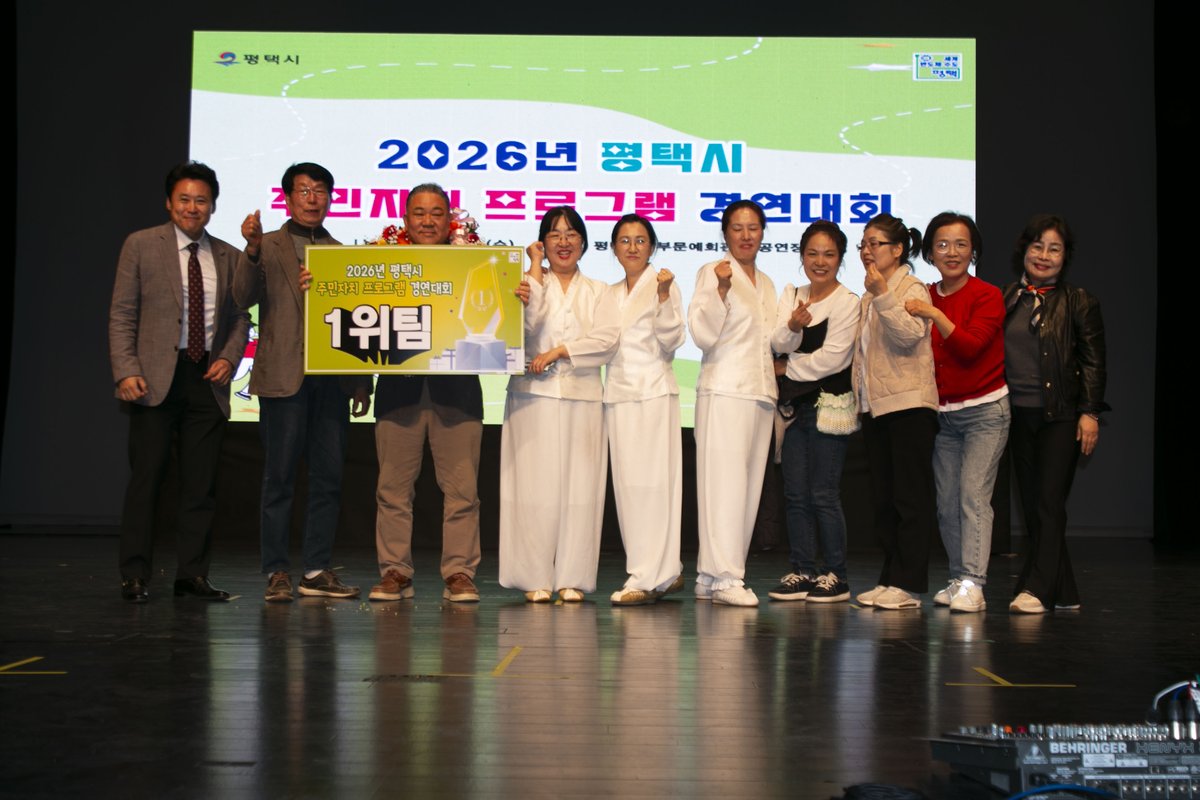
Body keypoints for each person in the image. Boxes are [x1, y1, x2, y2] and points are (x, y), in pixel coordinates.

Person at [109, 161, 250, 603]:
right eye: (184, 199)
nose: (193, 208)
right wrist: (126, 369)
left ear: (213, 207)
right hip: (153, 379)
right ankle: (135, 574)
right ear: (169, 203)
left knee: (200, 485)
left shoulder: (228, 255)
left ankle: (192, 575)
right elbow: (122, 313)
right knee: (147, 479)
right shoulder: (140, 245)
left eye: (201, 201)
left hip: (207, 379)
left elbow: (240, 317)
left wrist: (228, 357)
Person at [234, 162, 371, 603]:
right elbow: (242, 297)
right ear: (288, 198)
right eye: (304, 190)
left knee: (328, 478)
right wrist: (250, 249)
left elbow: (358, 324)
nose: (313, 198)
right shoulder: (268, 245)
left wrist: (361, 381)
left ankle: (315, 570)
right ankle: (276, 570)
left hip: (331, 381)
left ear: (330, 199)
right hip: (283, 378)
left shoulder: (340, 252)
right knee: (279, 478)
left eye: (321, 191)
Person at [369, 183, 485, 604]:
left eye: (437, 213)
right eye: (419, 213)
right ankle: (395, 571)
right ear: (405, 220)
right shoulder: (380, 265)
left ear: (451, 220)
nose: (428, 220)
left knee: (462, 491)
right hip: (398, 390)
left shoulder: (476, 264)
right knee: (392, 490)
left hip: (458, 391)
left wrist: (518, 295)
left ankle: (459, 572)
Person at [499, 206, 619, 603]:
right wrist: (534, 269)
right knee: (532, 488)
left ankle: (573, 578)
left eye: (571, 234)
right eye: (554, 234)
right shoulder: (528, 282)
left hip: (583, 397)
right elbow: (524, 327)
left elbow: (607, 340)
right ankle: (533, 577)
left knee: (581, 490)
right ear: (542, 243)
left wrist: (560, 351)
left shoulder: (600, 290)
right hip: (532, 397)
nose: (563, 242)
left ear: (583, 242)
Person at [904, 212, 1008, 613]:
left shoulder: (987, 295)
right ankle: (958, 578)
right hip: (942, 416)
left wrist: (933, 314)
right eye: (942, 244)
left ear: (973, 251)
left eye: (961, 244)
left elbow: (969, 348)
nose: (952, 252)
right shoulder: (923, 293)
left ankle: (974, 584)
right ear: (929, 252)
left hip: (986, 411)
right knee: (946, 503)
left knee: (972, 496)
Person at [1003, 214, 1107, 614]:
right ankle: (1064, 590)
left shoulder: (1080, 301)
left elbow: (1094, 362)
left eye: (1054, 249)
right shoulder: (1009, 297)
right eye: (1037, 246)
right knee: (1032, 504)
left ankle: (1037, 588)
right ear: (1024, 251)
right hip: (1016, 415)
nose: (1044, 256)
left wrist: (1090, 412)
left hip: (1061, 416)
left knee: (1048, 501)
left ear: (1065, 257)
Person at [688, 200, 778, 607]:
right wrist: (721, 291)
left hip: (761, 392)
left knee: (747, 491)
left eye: (753, 228)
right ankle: (726, 576)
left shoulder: (768, 283)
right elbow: (702, 334)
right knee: (724, 487)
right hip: (724, 390)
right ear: (725, 233)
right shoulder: (713, 271)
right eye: (737, 228)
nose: (746, 235)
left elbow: (772, 340)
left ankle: (711, 576)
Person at [767, 220, 859, 604]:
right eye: (812, 253)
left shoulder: (848, 301)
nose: (820, 262)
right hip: (793, 411)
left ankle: (836, 575)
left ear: (840, 258)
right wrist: (792, 325)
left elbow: (833, 360)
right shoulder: (792, 293)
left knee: (823, 494)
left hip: (828, 408)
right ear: (802, 255)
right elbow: (776, 341)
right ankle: (803, 570)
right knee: (795, 495)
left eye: (829, 254)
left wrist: (786, 368)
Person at [851, 213, 938, 611]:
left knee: (910, 499)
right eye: (864, 244)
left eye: (875, 244)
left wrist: (884, 294)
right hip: (877, 406)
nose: (867, 251)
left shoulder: (910, 286)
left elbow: (910, 335)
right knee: (884, 499)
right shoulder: (870, 293)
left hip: (909, 406)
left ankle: (909, 584)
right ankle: (890, 577)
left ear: (898, 249)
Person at [603, 214, 687, 606]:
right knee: (629, 489)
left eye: (640, 240)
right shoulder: (609, 293)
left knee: (655, 487)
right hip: (619, 395)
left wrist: (664, 297)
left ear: (652, 246)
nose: (633, 247)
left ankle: (647, 574)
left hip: (653, 393)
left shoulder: (663, 284)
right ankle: (663, 570)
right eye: (624, 240)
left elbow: (672, 340)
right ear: (614, 248)